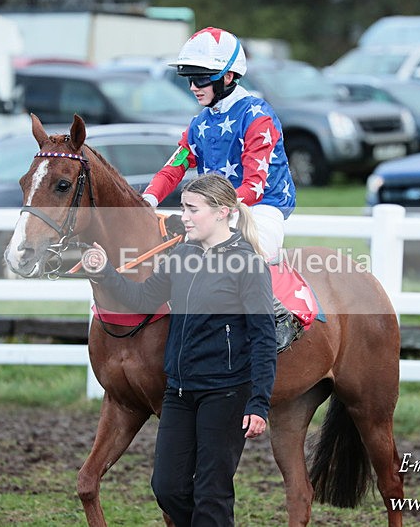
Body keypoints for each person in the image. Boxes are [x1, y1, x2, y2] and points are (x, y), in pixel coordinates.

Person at [84, 174, 276, 527]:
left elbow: (264, 336)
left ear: (221, 213)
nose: (183, 217)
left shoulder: (247, 263)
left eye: (191, 209)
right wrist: (104, 272)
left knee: (211, 492)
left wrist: (259, 402)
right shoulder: (181, 254)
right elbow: (141, 299)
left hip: (226, 392)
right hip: (179, 392)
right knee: (167, 488)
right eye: (183, 208)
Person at [141, 26, 299, 348]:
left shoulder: (257, 116)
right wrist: (146, 199)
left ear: (227, 77)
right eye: (189, 78)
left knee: (251, 252)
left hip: (262, 206)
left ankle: (279, 316)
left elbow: (254, 186)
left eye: (200, 78)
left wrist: (212, 214)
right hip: (217, 208)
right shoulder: (200, 123)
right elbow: (174, 167)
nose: (192, 86)